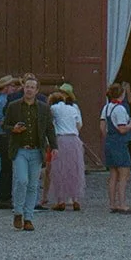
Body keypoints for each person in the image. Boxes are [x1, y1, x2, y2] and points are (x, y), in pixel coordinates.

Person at [3, 73, 56, 232]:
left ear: (37, 90)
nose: (29, 90)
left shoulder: (44, 108)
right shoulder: (13, 106)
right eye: (27, 87)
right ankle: (18, 212)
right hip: (20, 149)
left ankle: (28, 218)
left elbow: (49, 128)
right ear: (23, 88)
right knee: (22, 181)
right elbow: (5, 126)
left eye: (32, 87)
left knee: (33, 185)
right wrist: (14, 129)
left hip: (37, 150)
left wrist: (54, 146)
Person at [48, 83, 85, 211]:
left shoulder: (54, 108)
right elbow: (79, 125)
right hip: (74, 139)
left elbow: (49, 122)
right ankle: (75, 199)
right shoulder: (73, 108)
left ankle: (61, 200)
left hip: (61, 139)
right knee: (74, 169)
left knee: (59, 170)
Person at [100, 82, 131, 213]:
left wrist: (109, 137)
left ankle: (112, 203)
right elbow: (122, 129)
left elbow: (102, 127)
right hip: (119, 143)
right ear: (122, 94)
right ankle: (122, 204)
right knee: (123, 174)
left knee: (113, 174)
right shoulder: (120, 109)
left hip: (110, 141)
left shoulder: (106, 107)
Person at [0, 75, 21, 210]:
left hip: (2, 136)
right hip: (4, 137)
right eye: (11, 86)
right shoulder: (3, 101)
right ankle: (4, 198)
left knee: (6, 168)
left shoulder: (1, 99)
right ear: (5, 88)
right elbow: (1, 120)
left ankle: (4, 197)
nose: (14, 88)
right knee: (6, 169)